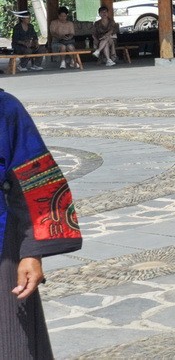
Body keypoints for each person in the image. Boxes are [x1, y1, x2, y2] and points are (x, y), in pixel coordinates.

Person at [0, 90, 82, 358]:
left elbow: (36, 179)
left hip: (4, 248)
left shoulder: (6, 108)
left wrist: (31, 252)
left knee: (13, 340)